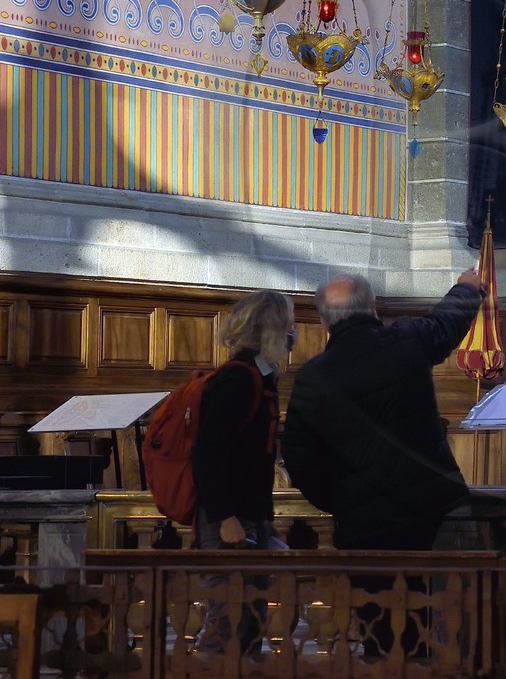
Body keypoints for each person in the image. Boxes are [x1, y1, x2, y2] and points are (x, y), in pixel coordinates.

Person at [282, 268, 486, 656]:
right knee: (458, 631)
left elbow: (298, 456)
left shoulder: (313, 378)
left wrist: (342, 498)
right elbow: (447, 321)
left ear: (324, 321)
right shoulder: (406, 339)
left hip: (366, 524)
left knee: (385, 637)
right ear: (373, 308)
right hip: (437, 507)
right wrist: (466, 287)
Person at [191, 289, 295, 657]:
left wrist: (266, 522)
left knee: (249, 623)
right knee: (226, 624)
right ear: (268, 329)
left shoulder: (263, 378)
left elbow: (257, 460)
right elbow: (207, 456)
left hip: (251, 519)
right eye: (287, 325)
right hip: (229, 522)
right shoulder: (238, 379)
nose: (292, 334)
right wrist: (225, 517)